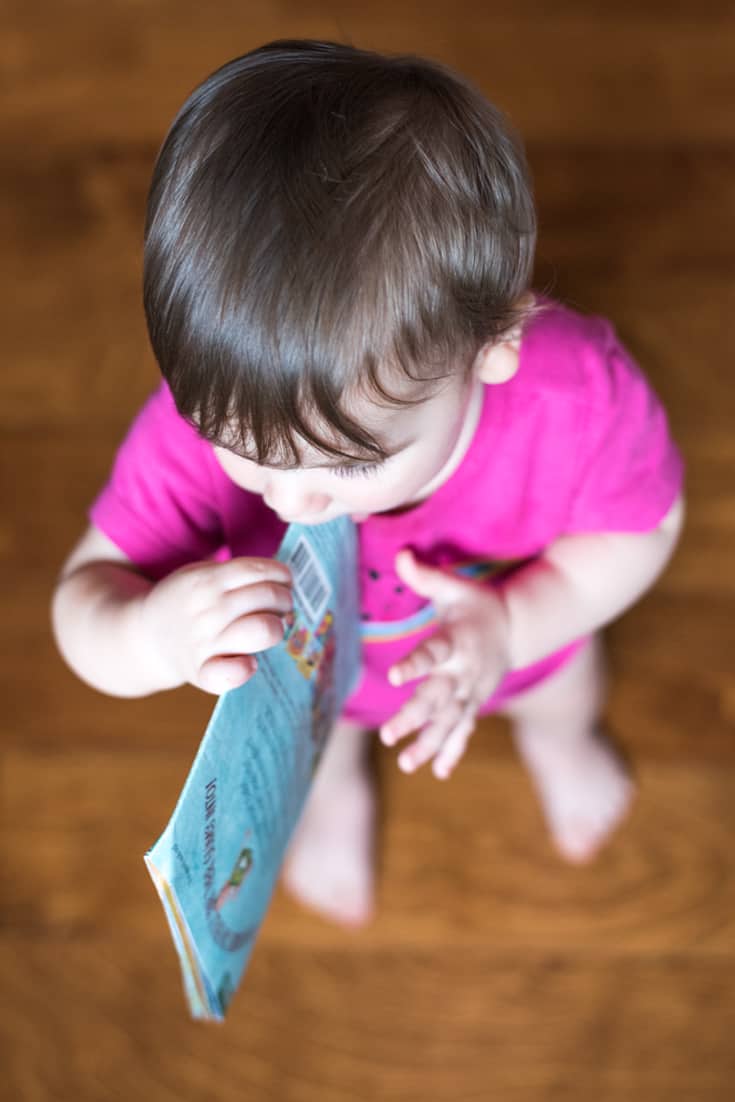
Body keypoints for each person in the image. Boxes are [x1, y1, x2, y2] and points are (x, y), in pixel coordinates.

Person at [51, 40, 685, 928]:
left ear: (489, 346)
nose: (292, 501)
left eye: (350, 462)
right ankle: (335, 792)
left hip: (517, 639)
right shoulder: (212, 409)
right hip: (318, 689)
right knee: (319, 755)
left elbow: (643, 528)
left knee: (565, 692)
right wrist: (150, 636)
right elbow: (80, 606)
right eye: (242, 449)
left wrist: (513, 626)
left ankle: (561, 744)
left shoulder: (573, 394)